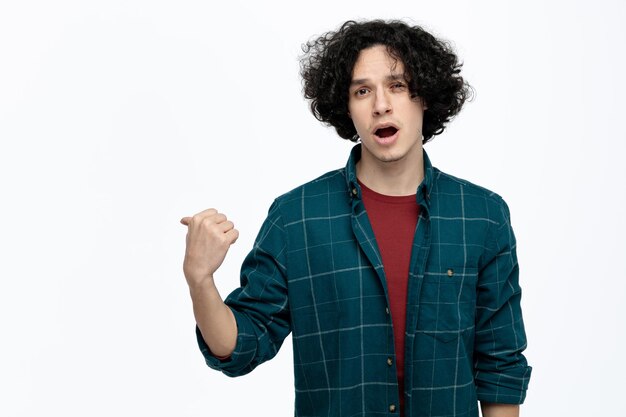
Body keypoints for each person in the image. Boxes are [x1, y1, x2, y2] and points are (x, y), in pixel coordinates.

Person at [180, 19, 531, 417]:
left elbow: (500, 363)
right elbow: (241, 346)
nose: (381, 104)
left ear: (425, 97)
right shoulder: (297, 217)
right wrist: (200, 280)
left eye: (397, 85)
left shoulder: (482, 216)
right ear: (346, 108)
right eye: (362, 91)